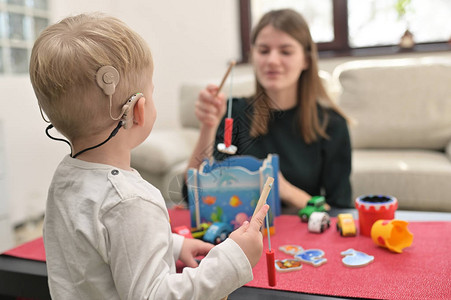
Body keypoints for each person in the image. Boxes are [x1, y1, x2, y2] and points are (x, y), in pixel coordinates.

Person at [29, 13, 269, 300]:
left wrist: (175, 245)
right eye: (152, 92)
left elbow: (103, 241)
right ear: (138, 111)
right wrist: (233, 259)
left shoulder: (66, 177)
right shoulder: (131, 200)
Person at [187, 9, 352, 210]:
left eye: (286, 51)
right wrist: (207, 127)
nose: (272, 60)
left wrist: (285, 190)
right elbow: (190, 196)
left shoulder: (331, 124)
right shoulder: (233, 112)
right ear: (253, 56)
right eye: (264, 51)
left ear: (306, 60)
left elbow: (338, 212)